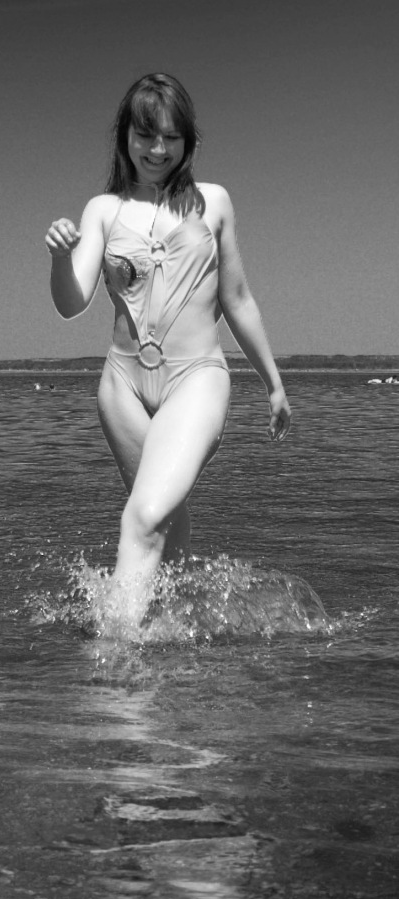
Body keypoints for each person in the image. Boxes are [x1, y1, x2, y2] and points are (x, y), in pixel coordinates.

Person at [45, 72, 291, 628]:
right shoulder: (103, 210)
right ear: (125, 137)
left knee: (143, 517)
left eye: (171, 137)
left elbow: (237, 299)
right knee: (165, 524)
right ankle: (170, 639)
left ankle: (114, 654)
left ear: (188, 141)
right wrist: (61, 258)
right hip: (122, 389)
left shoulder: (213, 202)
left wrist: (273, 384)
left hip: (196, 378)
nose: (157, 149)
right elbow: (71, 303)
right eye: (145, 135)